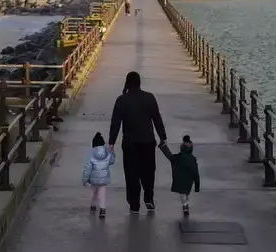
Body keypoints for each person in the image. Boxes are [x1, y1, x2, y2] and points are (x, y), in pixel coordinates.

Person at [109, 71, 166, 213]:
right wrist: (162, 136)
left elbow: (115, 122)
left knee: (131, 173)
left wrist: (111, 142)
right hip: (148, 141)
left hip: (130, 143)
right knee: (148, 172)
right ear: (139, 83)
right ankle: (149, 199)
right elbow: (157, 119)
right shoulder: (149, 98)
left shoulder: (121, 100)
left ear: (127, 83)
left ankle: (134, 204)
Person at [159, 135, 201, 216]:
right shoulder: (193, 159)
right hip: (189, 180)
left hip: (180, 179)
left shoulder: (177, 158)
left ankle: (184, 205)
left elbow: (169, 155)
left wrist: (163, 146)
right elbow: (196, 173)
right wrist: (197, 186)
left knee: (182, 194)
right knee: (187, 193)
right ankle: (186, 204)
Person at [82, 132, 115, 219]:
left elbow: (87, 168)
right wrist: (112, 153)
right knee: (102, 194)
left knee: (94, 193)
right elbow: (111, 161)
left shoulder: (91, 153)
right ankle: (102, 210)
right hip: (104, 179)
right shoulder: (107, 152)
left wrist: (85, 179)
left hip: (94, 179)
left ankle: (93, 205)